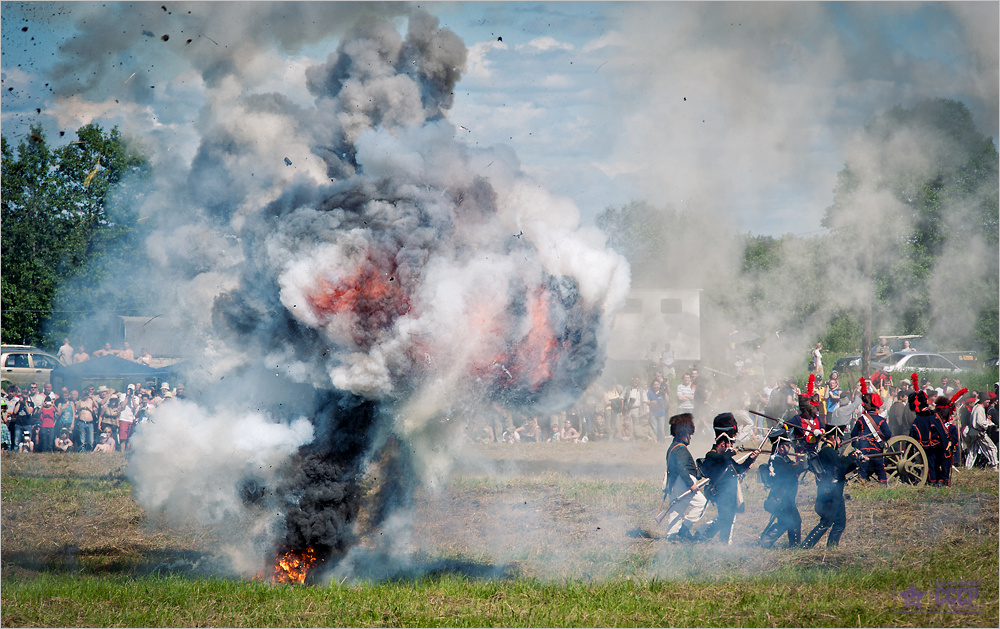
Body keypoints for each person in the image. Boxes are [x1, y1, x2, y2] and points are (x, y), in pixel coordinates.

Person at [695, 413, 760, 545]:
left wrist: (751, 459)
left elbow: (739, 469)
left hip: (730, 491)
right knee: (725, 518)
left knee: (727, 518)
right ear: (722, 442)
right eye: (727, 443)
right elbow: (720, 458)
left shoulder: (725, 457)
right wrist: (730, 452)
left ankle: (717, 540)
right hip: (720, 492)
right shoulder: (712, 455)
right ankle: (709, 537)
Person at [800, 427, 866, 549]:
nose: (840, 442)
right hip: (830, 492)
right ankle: (805, 546)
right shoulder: (827, 450)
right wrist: (852, 457)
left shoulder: (831, 451)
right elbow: (840, 464)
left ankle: (831, 548)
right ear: (833, 437)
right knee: (826, 521)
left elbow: (841, 470)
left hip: (836, 491)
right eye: (839, 439)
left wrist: (856, 461)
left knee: (840, 523)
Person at [662, 413, 707, 543]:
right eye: (689, 435)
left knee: (677, 509)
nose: (690, 438)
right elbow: (681, 468)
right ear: (684, 434)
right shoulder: (680, 449)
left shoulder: (673, 447)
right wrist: (690, 484)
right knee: (701, 503)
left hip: (675, 483)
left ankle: (671, 535)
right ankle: (684, 528)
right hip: (682, 482)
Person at [758, 428, 806, 548]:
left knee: (786, 521)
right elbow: (791, 471)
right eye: (787, 445)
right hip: (782, 498)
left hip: (786, 497)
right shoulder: (776, 460)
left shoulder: (782, 459)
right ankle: (794, 546)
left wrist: (801, 463)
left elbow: (792, 467)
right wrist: (802, 464)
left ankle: (766, 541)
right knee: (794, 521)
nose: (789, 447)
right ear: (781, 447)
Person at [908, 373, 950, 485]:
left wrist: (909, 452)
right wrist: (946, 446)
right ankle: (938, 481)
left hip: (923, 447)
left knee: (930, 465)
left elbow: (912, 436)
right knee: (936, 464)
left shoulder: (917, 420)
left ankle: (933, 481)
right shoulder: (934, 416)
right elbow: (942, 432)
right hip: (936, 445)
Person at [850, 378, 892, 484]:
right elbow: (888, 434)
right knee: (880, 470)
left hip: (863, 450)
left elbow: (854, 435)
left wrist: (856, 445)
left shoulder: (861, 419)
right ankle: (883, 486)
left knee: (863, 470)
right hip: (877, 450)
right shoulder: (881, 420)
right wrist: (882, 441)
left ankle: (862, 485)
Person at [785, 375, 825, 454]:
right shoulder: (797, 418)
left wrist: (819, 431)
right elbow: (787, 425)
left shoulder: (816, 418)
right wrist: (782, 423)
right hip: (801, 449)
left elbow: (823, 428)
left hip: (813, 448)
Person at [966, 391, 999, 471]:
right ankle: (994, 466)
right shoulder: (980, 408)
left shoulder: (976, 407)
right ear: (983, 400)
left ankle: (968, 467)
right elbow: (979, 422)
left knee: (973, 450)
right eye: (987, 399)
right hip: (979, 432)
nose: (989, 401)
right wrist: (989, 423)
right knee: (992, 448)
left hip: (974, 432)